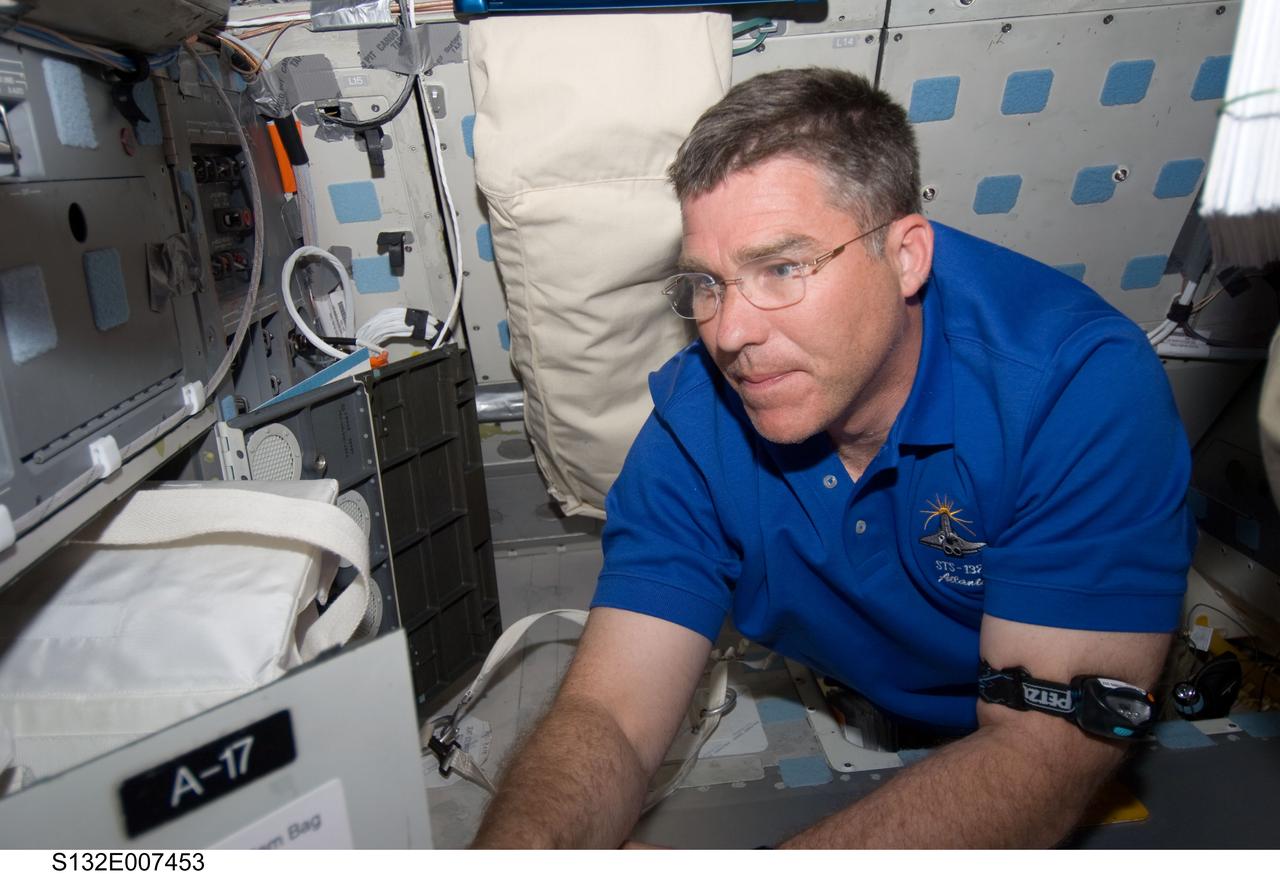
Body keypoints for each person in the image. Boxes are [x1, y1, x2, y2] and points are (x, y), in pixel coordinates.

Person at [471, 67, 1196, 848]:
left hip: (1016, 733)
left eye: (781, 268)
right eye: (707, 283)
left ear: (907, 255)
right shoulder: (698, 421)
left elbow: (1045, 754)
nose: (729, 333)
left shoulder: (1074, 392)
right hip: (851, 710)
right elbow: (609, 712)